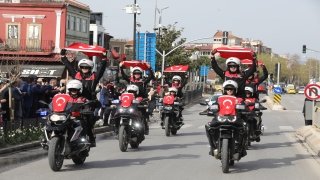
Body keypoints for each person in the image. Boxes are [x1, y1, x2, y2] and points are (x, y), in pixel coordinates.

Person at [60, 49, 108, 147]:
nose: (84, 68)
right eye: (82, 67)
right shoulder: (76, 75)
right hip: (74, 100)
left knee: (86, 122)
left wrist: (103, 58)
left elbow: (101, 68)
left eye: (86, 67)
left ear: (90, 68)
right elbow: (69, 67)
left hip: (88, 102)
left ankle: (90, 138)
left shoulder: (94, 76)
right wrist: (63, 56)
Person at [205, 80, 247, 157]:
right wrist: (209, 110)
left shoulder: (239, 100)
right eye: (227, 89)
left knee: (244, 128)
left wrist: (245, 110)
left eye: (231, 89)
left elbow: (245, 108)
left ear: (235, 90)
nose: (229, 91)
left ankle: (241, 147)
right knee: (209, 127)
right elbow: (213, 106)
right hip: (220, 118)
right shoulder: (219, 99)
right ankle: (213, 146)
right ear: (224, 90)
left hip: (234, 119)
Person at [119, 62, 155, 135]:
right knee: (119, 111)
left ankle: (145, 127)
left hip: (141, 100)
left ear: (141, 74)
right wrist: (121, 67)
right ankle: (118, 129)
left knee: (144, 113)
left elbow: (151, 76)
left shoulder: (143, 81)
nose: (137, 75)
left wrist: (149, 68)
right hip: (130, 100)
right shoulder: (130, 80)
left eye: (138, 74)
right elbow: (123, 75)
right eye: (135, 73)